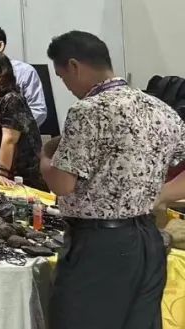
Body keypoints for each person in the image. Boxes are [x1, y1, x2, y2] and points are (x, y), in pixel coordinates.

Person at [40, 31, 185, 329]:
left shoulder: (88, 110)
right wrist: (160, 195)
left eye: (63, 77)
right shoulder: (161, 110)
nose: (67, 87)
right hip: (148, 238)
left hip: (99, 244)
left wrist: (44, 158)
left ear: (74, 66)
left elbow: (63, 185)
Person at [0, 53, 46, 189]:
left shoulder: (12, 99)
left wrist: (2, 173)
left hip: (22, 174)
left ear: (0, 75)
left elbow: (9, 139)